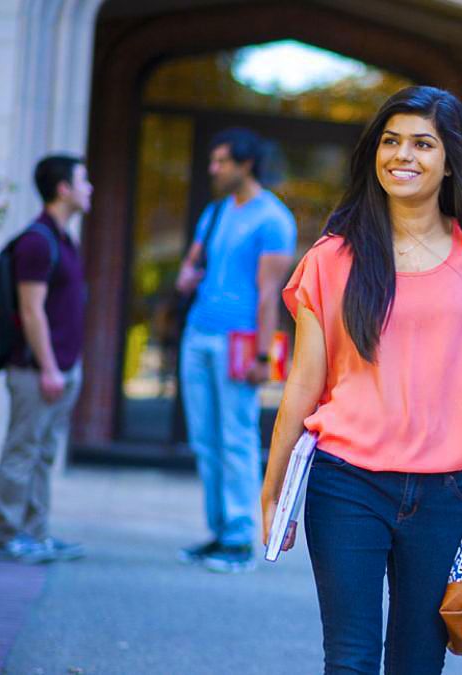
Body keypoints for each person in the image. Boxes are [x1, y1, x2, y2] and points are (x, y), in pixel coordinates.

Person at [261, 85, 462, 673]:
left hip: (449, 492)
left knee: (417, 662)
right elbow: (303, 385)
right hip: (347, 486)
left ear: (449, 158)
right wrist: (273, 490)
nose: (402, 156)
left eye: (422, 143)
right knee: (352, 659)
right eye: (390, 141)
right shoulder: (332, 257)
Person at [174, 128, 296, 573]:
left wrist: (264, 357)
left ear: (245, 164)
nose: (214, 169)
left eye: (221, 161)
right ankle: (220, 531)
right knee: (205, 441)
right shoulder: (215, 212)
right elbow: (192, 262)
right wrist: (187, 276)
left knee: (236, 439)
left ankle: (241, 538)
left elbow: (269, 294)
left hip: (239, 342)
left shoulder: (274, 219)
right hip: (198, 334)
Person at [0, 154, 91, 564]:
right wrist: (49, 368)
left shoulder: (63, 237)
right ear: (63, 188)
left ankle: (36, 533)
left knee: (43, 453)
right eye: (84, 181)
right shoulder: (37, 240)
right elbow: (31, 311)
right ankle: (8, 535)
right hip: (37, 371)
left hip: (62, 367)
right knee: (22, 451)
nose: (90, 189)